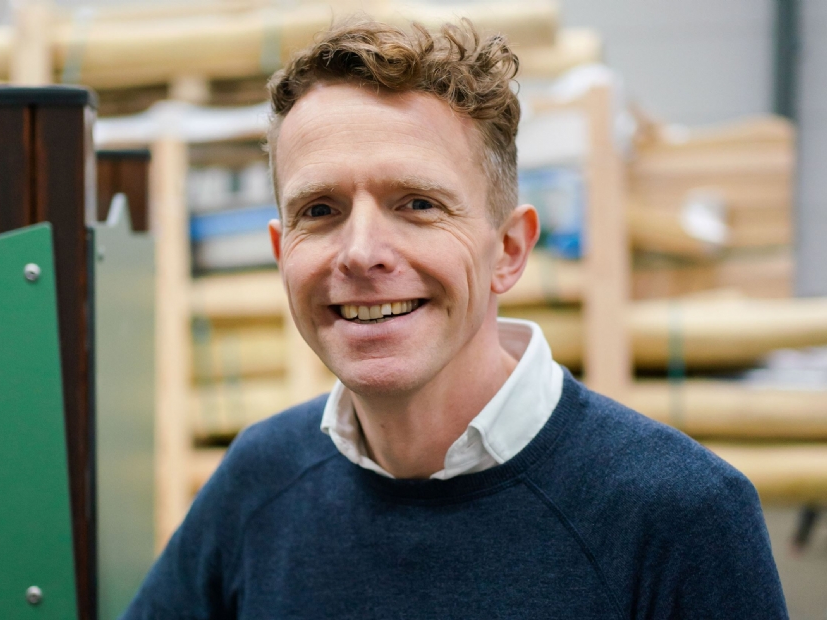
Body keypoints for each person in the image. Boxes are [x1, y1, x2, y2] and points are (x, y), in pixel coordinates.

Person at [123, 18, 788, 619]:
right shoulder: (260, 479)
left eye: (417, 204)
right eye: (319, 211)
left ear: (509, 250)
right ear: (281, 254)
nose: (361, 253)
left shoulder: (678, 515)